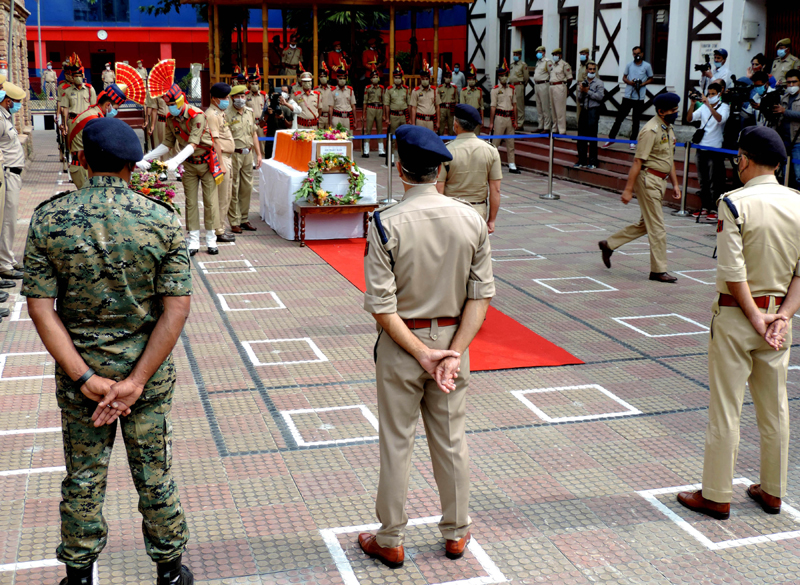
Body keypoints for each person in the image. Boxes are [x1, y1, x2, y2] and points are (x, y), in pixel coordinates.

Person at [22, 116, 193, 585]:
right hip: (148, 379)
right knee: (154, 475)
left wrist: (86, 379)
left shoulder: (50, 217)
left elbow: (41, 310)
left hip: (82, 378)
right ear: (134, 165)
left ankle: (78, 575)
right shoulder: (160, 218)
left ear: (81, 159)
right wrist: (135, 382)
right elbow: (175, 311)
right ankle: (170, 572)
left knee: (83, 478)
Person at [359, 124, 495, 569]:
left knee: (397, 442)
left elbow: (381, 306)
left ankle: (391, 538)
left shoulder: (385, 222)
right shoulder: (471, 219)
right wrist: (452, 352)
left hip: (403, 345)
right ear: (440, 171)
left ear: (400, 169)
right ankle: (456, 532)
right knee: (452, 440)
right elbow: (481, 297)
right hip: (455, 339)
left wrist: (421, 353)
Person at [677, 125, 800, 521]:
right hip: (779, 320)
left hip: (737, 315)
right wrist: (781, 316)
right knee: (775, 409)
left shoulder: (733, 203)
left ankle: (716, 495)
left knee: (727, 408)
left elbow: (733, 269)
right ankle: (773, 491)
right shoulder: (799, 203)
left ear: (744, 159)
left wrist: (754, 316)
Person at [598, 92, 682, 283]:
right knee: (658, 228)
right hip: (648, 180)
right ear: (661, 111)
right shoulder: (650, 130)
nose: (676, 113)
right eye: (673, 110)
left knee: (646, 224)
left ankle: (609, 244)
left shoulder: (668, 128)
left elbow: (669, 159)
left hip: (661, 181)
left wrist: (676, 184)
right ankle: (658, 271)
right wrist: (628, 189)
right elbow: (637, 161)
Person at [139, 83, 221, 256]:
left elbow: (193, 142)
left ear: (181, 99)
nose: (170, 108)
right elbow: (167, 143)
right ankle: (193, 240)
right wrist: (146, 157)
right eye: (167, 104)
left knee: (210, 202)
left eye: (172, 104)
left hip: (206, 163)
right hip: (189, 164)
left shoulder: (197, 115)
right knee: (190, 202)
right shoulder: (170, 118)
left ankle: (211, 238)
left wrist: (175, 161)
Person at [436, 104, 502, 232]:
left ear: (455, 124)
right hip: (478, 211)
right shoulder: (491, 151)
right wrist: (492, 220)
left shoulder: (446, 151)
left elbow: (439, 189)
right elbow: (496, 190)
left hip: (452, 210)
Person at [67, 83, 128, 190]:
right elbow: (106, 145)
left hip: (84, 166)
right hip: (83, 169)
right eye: (115, 108)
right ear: (107, 105)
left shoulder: (94, 113)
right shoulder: (94, 119)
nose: (116, 112)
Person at [687, 82, 729, 221]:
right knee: (703, 180)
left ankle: (715, 209)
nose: (710, 96)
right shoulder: (703, 108)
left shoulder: (724, 107)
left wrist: (709, 106)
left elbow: (720, 120)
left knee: (715, 180)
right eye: (708, 94)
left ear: (719, 94)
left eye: (713, 94)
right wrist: (693, 104)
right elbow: (689, 118)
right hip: (701, 147)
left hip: (715, 148)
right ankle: (705, 207)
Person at [226, 85, 262, 234]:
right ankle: (234, 221)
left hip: (248, 154)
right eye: (238, 96)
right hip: (234, 154)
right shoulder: (226, 114)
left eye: (243, 96)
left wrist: (259, 154)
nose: (241, 99)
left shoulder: (249, 112)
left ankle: (244, 219)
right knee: (233, 187)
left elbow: (254, 133)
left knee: (247, 187)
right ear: (232, 97)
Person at [205, 83, 237, 244]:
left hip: (226, 157)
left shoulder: (220, 113)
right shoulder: (212, 115)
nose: (228, 100)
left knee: (226, 196)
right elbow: (215, 142)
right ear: (215, 99)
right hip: (220, 158)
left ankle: (220, 228)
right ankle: (218, 230)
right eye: (224, 98)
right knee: (221, 197)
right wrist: (220, 165)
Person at [604, 46, 653, 150]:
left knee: (636, 120)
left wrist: (642, 84)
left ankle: (632, 141)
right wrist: (630, 82)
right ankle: (611, 138)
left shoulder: (647, 66)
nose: (637, 56)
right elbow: (624, 77)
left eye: (638, 53)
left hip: (639, 97)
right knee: (619, 118)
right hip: (628, 96)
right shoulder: (629, 65)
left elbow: (651, 78)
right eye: (634, 54)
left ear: (642, 54)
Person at [0, 82, 25, 281]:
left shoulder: (6, 117)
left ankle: (7, 258)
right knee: (7, 221)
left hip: (13, 174)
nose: (19, 106)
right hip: (6, 174)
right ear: (7, 101)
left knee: (10, 221)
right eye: (16, 102)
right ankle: (4, 265)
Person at [490, 61, 519, 174]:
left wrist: (515, 120)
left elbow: (515, 105)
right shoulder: (495, 90)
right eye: (502, 76)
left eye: (505, 75)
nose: (504, 78)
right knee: (495, 142)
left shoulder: (512, 89)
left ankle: (512, 164)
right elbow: (492, 107)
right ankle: (491, 164)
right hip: (500, 117)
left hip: (509, 117)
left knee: (510, 142)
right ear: (498, 77)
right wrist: (491, 122)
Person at [773, 69, 800, 189]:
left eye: (794, 82)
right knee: (785, 175)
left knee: (799, 175)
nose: (791, 85)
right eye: (788, 82)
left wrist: (785, 111)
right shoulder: (784, 97)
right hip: (785, 140)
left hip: (798, 141)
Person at [575, 61, 604, 170]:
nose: (591, 71)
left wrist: (588, 91)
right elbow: (579, 99)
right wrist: (582, 91)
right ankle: (581, 160)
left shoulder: (599, 83)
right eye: (590, 69)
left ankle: (593, 162)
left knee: (592, 136)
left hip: (593, 110)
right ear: (586, 70)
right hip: (584, 110)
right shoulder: (583, 82)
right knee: (581, 136)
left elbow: (600, 97)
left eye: (593, 69)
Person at [383, 65, 410, 162]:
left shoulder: (406, 89)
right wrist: (387, 118)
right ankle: (391, 159)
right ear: (393, 78)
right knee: (392, 138)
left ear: (401, 79)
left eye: (399, 78)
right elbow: (386, 104)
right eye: (396, 78)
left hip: (403, 116)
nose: (397, 79)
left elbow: (409, 104)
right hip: (393, 116)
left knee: (404, 139)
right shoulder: (389, 89)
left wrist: (409, 118)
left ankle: (403, 158)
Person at [548, 48, 572, 135]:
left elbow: (569, 78)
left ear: (560, 55)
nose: (555, 56)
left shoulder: (564, 65)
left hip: (560, 86)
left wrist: (566, 88)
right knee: (553, 109)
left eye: (556, 55)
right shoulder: (552, 65)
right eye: (553, 55)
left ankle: (562, 129)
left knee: (560, 109)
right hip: (552, 86)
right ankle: (555, 128)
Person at [362, 69, 384, 157]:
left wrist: (385, 114)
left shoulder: (382, 88)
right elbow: (365, 101)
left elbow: (384, 101)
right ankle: (366, 151)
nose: (375, 78)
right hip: (370, 108)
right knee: (368, 130)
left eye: (376, 77)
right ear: (371, 79)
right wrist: (363, 114)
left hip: (379, 108)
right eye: (373, 77)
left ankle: (381, 150)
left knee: (380, 129)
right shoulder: (367, 88)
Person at [329, 66, 357, 131]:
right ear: (337, 79)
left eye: (344, 78)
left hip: (347, 117)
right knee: (336, 138)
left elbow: (353, 106)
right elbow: (331, 108)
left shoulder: (350, 90)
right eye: (340, 78)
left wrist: (355, 120)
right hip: (336, 117)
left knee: (349, 138)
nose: (342, 80)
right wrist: (330, 122)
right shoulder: (333, 91)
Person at [532, 46, 553, 133]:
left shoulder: (547, 62)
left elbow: (551, 73)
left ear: (544, 53)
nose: (538, 54)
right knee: (539, 106)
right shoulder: (538, 62)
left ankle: (547, 127)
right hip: (537, 85)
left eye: (540, 52)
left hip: (544, 84)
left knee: (545, 106)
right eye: (537, 52)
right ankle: (540, 125)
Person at [507, 48, 529, 127]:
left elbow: (526, 77)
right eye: (514, 55)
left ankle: (520, 124)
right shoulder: (512, 65)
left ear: (520, 55)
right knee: (512, 105)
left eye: (517, 55)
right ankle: (513, 121)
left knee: (519, 105)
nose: (515, 56)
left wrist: (522, 85)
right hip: (511, 86)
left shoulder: (523, 65)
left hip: (519, 85)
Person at [410, 66, 436, 131]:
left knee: (430, 139)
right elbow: (413, 108)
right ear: (420, 79)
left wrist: (437, 121)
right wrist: (413, 123)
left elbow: (437, 106)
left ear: (429, 79)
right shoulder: (415, 91)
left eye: (426, 79)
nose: (425, 81)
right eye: (423, 79)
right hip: (420, 120)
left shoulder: (435, 91)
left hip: (431, 120)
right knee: (419, 140)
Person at [436, 66, 458, 136]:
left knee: (451, 127)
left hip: (451, 109)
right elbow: (437, 101)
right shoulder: (440, 88)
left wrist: (456, 111)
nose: (447, 79)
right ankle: (440, 142)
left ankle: (450, 143)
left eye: (449, 77)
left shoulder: (454, 88)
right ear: (443, 78)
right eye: (446, 77)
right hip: (442, 109)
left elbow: (456, 101)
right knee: (441, 127)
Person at [246, 68, 266, 138]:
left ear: (258, 84)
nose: (254, 85)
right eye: (252, 83)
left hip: (261, 123)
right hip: (250, 123)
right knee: (251, 144)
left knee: (262, 145)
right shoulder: (246, 96)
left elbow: (267, 109)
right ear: (249, 84)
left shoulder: (264, 95)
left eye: (256, 83)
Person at [316, 64, 334, 130]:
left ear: (327, 77)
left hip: (329, 117)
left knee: (329, 136)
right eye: (321, 76)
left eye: (324, 76)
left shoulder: (332, 89)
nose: (323, 78)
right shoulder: (316, 90)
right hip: (320, 117)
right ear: (319, 78)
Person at [575, 48, 590, 123]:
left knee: (585, 109)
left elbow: (593, 79)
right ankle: (579, 128)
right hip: (579, 88)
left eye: (584, 54)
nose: (582, 56)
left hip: (586, 89)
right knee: (579, 109)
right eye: (581, 54)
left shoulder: (591, 65)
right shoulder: (581, 64)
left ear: (588, 54)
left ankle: (584, 129)